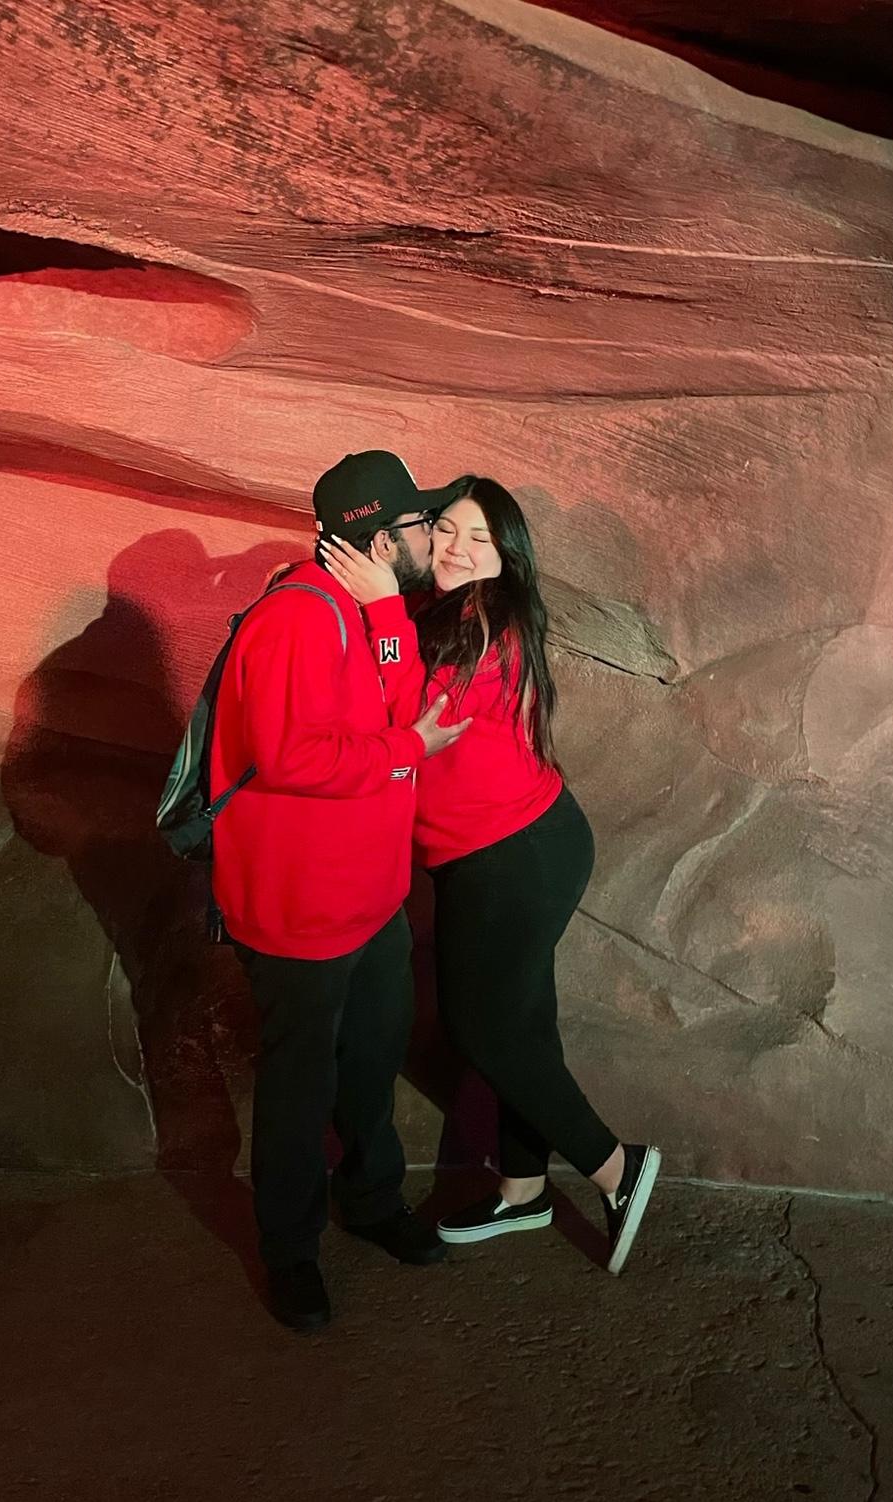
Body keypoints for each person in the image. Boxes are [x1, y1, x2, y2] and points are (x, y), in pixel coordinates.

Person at [322, 475, 660, 1275]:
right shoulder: (442, 611)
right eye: (445, 528)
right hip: (499, 850)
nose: (456, 548)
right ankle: (523, 1189)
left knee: (485, 1027)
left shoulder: (488, 620)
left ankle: (617, 1168)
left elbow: (416, 721)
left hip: (514, 855)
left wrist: (381, 607)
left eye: (479, 538)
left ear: (507, 557)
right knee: (523, 1024)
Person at [209, 450, 470, 1331]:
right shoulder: (297, 619)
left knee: (368, 1065)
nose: (433, 537)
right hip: (302, 912)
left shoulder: (365, 610)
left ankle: (371, 1202)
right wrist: (409, 755)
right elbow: (294, 758)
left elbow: (401, 708)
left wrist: (389, 611)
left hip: (370, 901)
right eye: (420, 525)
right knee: (298, 1088)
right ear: (378, 537)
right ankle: (290, 1250)